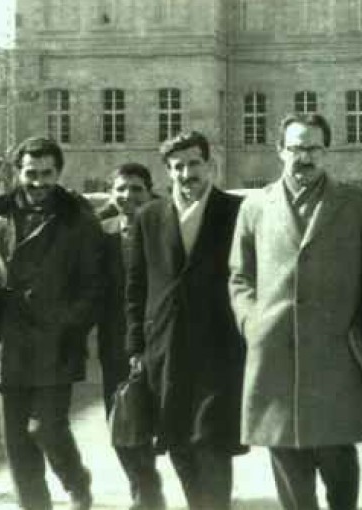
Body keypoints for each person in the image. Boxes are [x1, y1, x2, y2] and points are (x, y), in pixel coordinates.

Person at [229, 113, 362, 510]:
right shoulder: (256, 206)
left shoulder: (356, 204)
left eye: (313, 148)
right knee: (286, 456)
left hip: (337, 355)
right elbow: (240, 276)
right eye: (295, 148)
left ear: (326, 152)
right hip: (274, 354)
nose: (303, 157)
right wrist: (251, 321)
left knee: (338, 458)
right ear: (280, 150)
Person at [0, 136, 102, 510]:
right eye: (31, 173)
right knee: (17, 446)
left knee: (46, 428)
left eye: (47, 173)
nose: (39, 182)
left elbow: (94, 285)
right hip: (6, 343)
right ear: (18, 171)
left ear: (58, 172)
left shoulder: (78, 218)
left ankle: (76, 481)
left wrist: (67, 323)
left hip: (55, 343)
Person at [126, 131, 246, 510]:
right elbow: (136, 287)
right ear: (167, 171)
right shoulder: (149, 217)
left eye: (194, 164)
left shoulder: (236, 211)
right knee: (177, 440)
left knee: (213, 441)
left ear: (210, 165)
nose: (187, 173)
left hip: (220, 345)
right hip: (167, 347)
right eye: (178, 166)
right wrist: (136, 346)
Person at [97, 162, 165, 509]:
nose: (128, 196)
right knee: (121, 420)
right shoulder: (102, 233)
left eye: (136, 189)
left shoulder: (166, 227)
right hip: (115, 342)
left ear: (150, 192)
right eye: (121, 189)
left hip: (161, 340)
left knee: (161, 421)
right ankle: (144, 489)